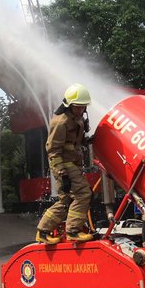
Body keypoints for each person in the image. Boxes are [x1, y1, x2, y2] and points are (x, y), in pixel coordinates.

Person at [36, 84, 95, 244]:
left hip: (74, 163)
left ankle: (43, 231)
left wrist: (87, 140)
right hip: (64, 164)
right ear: (69, 105)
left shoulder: (78, 118)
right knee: (83, 194)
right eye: (78, 106)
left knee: (66, 200)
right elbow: (53, 149)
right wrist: (62, 173)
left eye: (84, 106)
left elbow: (76, 141)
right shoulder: (60, 122)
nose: (81, 109)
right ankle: (73, 231)